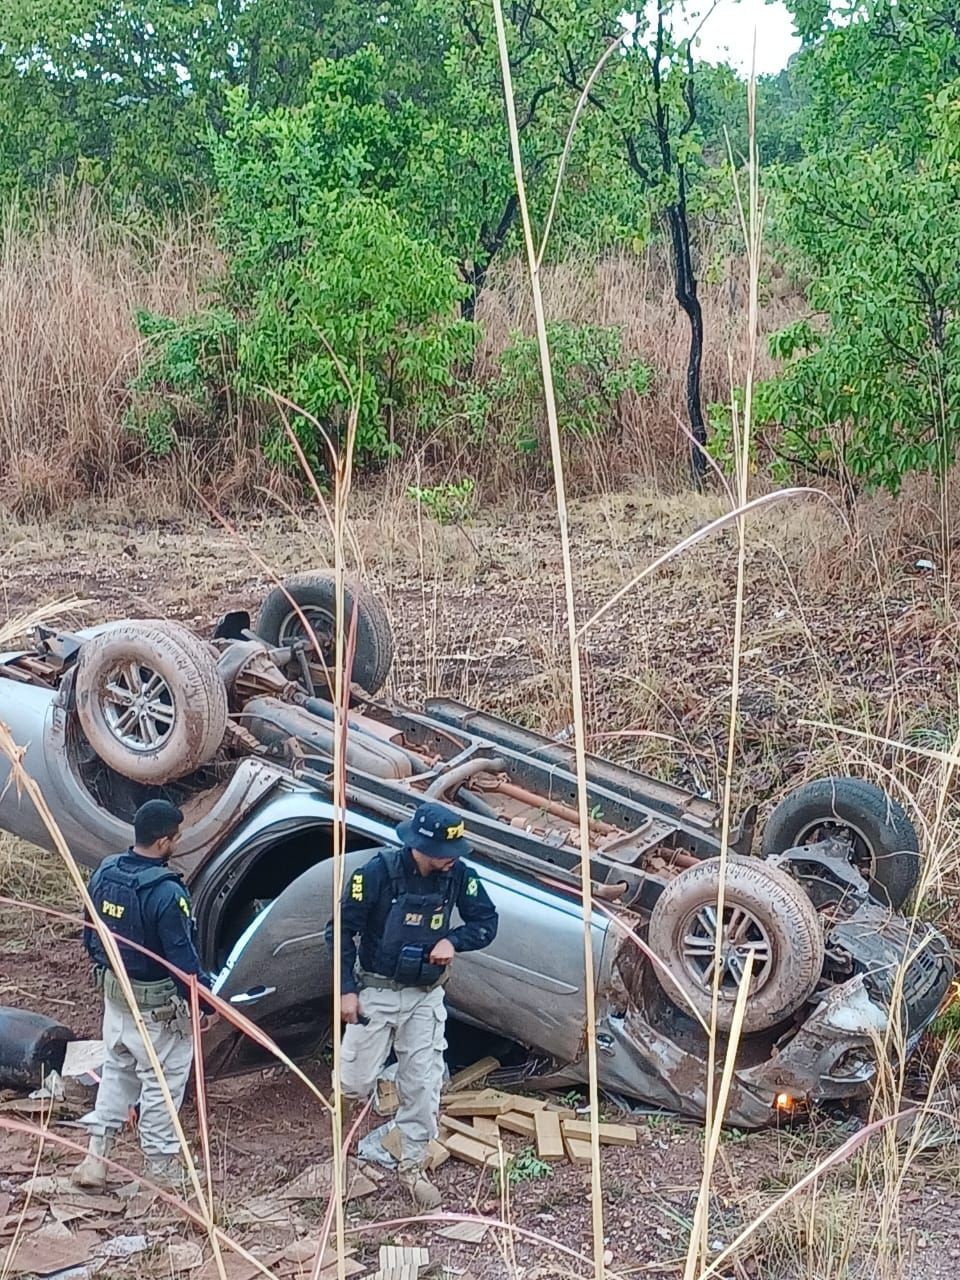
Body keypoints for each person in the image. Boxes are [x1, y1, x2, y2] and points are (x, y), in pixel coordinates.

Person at [325, 801, 499, 1212]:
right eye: (444, 853)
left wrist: (453, 941)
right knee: (352, 1082)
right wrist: (345, 989)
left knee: (423, 1084)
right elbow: (340, 931)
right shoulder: (376, 874)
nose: (451, 861)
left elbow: (486, 922)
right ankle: (338, 1144)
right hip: (376, 992)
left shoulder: (459, 876)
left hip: (425, 997)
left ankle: (412, 1166)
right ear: (420, 846)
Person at [73, 799, 213, 1191]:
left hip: (115, 998)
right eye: (176, 837)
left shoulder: (105, 872)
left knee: (116, 1073)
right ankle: (162, 1166)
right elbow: (182, 957)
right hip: (156, 1009)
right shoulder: (167, 893)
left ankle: (95, 1159)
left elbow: (89, 932)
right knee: (162, 1085)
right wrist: (201, 999)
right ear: (164, 840)